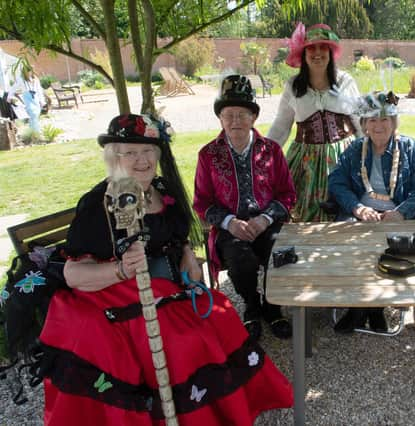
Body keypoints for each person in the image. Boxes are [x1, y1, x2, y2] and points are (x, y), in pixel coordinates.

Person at [39, 113, 293, 425]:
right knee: (185, 341)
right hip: (115, 298)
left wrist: (186, 252)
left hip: (167, 287)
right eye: (129, 152)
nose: (141, 160)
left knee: (222, 314)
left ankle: (225, 408)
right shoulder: (99, 204)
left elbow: (178, 236)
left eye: (147, 151)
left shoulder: (162, 190)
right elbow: (73, 274)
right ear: (113, 156)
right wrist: (120, 270)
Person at [194, 75, 297, 342]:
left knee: (280, 253)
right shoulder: (208, 155)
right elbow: (202, 202)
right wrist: (229, 222)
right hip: (230, 228)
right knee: (241, 260)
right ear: (220, 119)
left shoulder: (272, 151)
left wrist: (264, 219)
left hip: (267, 223)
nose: (235, 121)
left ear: (253, 117)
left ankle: (272, 307)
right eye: (228, 115)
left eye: (242, 114)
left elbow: (287, 194)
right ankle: (252, 306)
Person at [328, 91, 415, 333]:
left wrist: (402, 212)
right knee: (349, 242)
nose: (379, 125)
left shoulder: (410, 148)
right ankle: (369, 308)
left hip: (399, 215)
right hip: (363, 213)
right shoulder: (356, 149)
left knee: (390, 246)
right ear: (365, 125)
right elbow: (336, 182)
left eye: (385, 119)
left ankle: (365, 310)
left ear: (394, 122)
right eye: (373, 120)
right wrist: (357, 207)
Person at [267, 22, 362, 222]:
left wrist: (369, 152)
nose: (317, 53)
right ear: (303, 53)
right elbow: (281, 125)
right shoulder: (293, 85)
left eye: (323, 47)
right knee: (303, 218)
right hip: (305, 161)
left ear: (330, 51)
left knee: (343, 213)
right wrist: (263, 157)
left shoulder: (345, 81)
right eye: (311, 48)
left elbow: (359, 119)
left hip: (343, 156)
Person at [8, 62, 46, 133]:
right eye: (29, 71)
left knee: (35, 115)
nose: (30, 73)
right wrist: (9, 97)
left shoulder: (35, 79)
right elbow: (13, 88)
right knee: (33, 114)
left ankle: (32, 132)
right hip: (28, 100)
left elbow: (39, 90)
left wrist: (42, 101)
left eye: (31, 71)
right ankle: (36, 132)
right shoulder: (21, 79)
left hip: (36, 99)